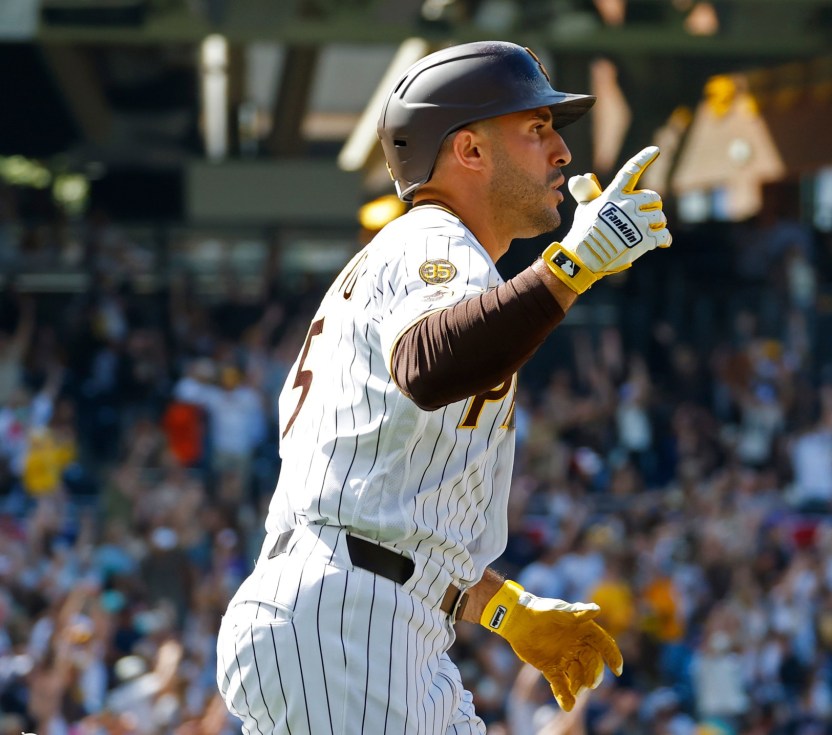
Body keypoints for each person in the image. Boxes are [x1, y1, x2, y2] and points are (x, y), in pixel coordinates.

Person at [215, 40, 671, 734]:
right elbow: (428, 365)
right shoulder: (433, 238)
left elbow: (396, 518)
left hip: (370, 619)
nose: (562, 152)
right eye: (537, 128)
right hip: (347, 622)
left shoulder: (448, 263)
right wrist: (574, 265)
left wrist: (505, 609)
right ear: (470, 150)